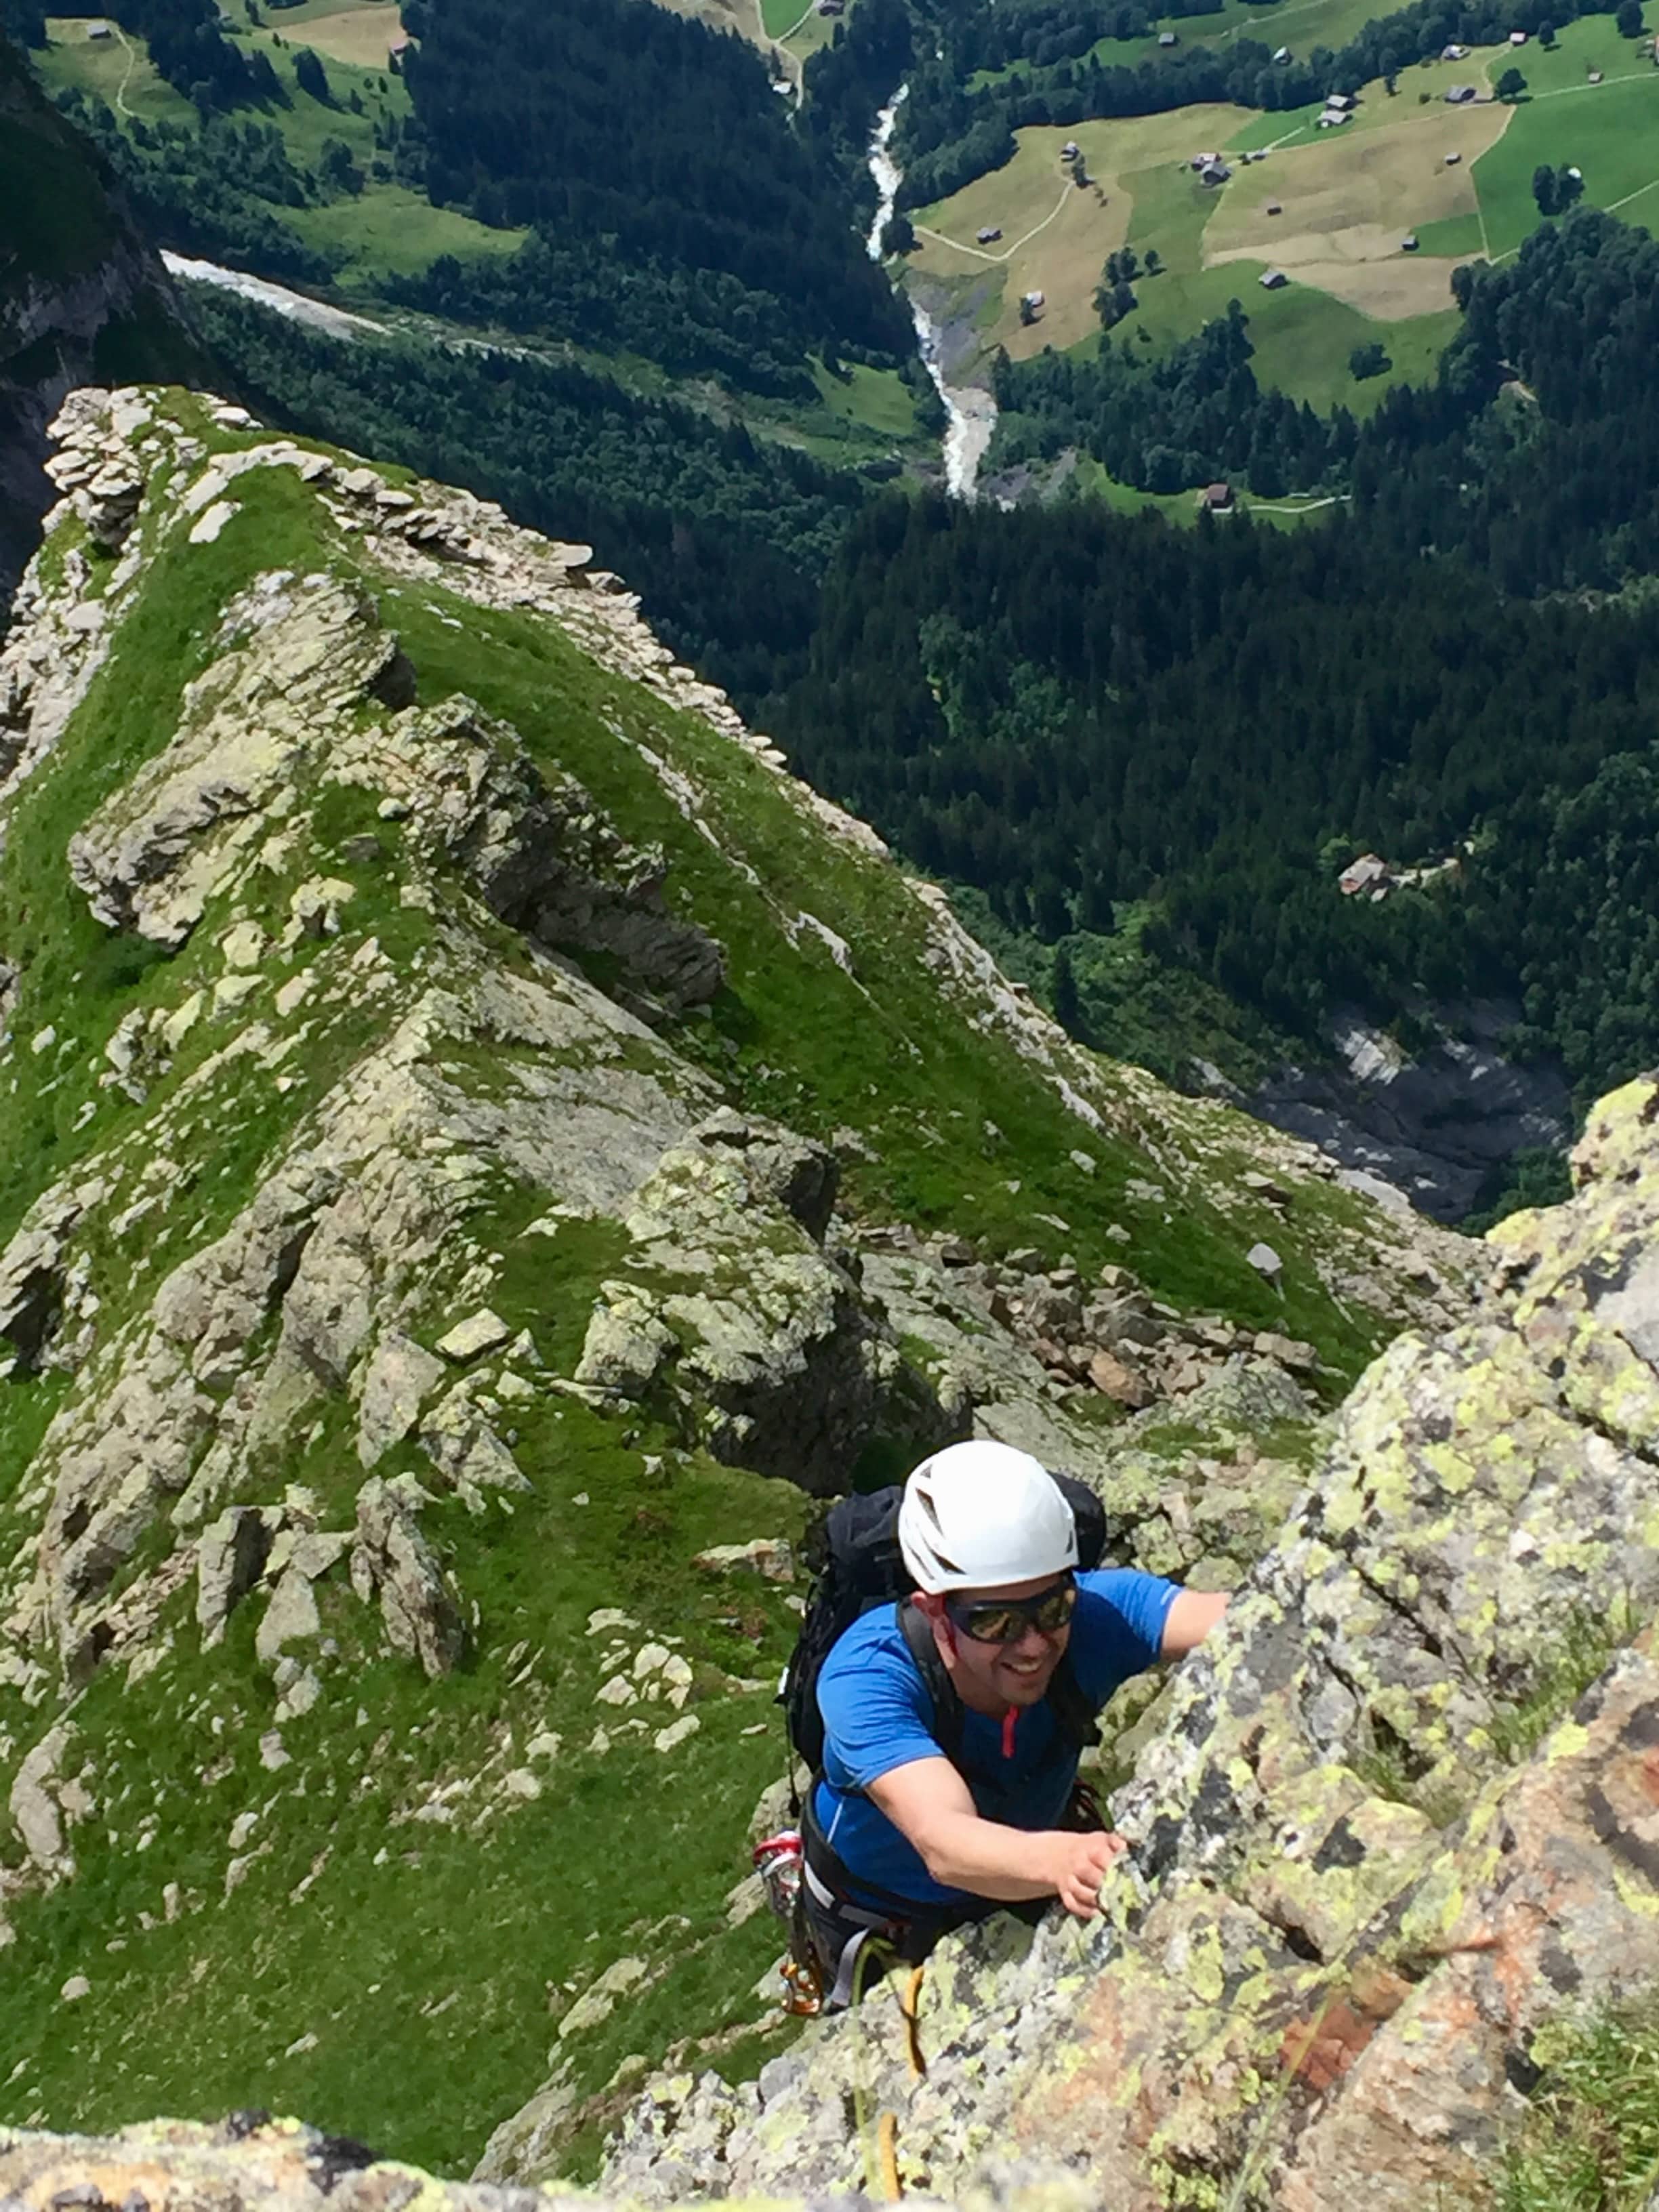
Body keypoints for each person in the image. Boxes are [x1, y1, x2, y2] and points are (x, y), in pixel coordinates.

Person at [800, 1439, 1228, 2005]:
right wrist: (1068, 1861)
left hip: (1030, 1872)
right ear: (933, 1610)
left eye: (1052, 1609)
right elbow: (945, 1841)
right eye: (994, 1621)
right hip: (887, 1912)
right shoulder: (869, 1674)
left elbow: (1253, 1615)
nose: (1032, 1645)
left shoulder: (1100, 1612)